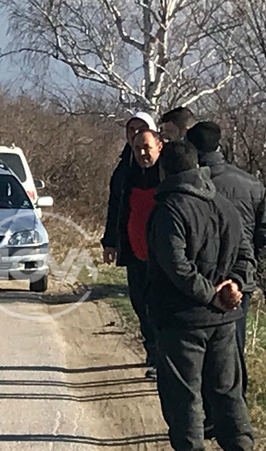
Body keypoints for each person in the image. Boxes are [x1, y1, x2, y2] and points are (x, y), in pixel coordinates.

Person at [144, 139, 257, 451]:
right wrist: (234, 286)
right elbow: (245, 255)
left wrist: (211, 293)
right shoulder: (224, 205)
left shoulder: (168, 210)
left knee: (185, 399)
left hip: (183, 320)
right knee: (227, 395)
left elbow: (175, 266)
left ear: (166, 170)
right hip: (225, 319)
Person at [185, 121, 266, 430]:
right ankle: (235, 416)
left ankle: (210, 417)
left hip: (204, 280)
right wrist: (248, 270)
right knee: (234, 350)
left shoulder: (194, 185)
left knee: (204, 353)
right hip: (240, 281)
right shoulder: (251, 184)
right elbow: (263, 233)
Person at [101, 114, 163, 379]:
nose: (135, 135)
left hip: (163, 250)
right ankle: (152, 351)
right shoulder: (124, 168)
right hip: (134, 246)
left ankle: (162, 357)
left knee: (159, 303)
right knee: (140, 301)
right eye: (131, 130)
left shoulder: (166, 166)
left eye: (141, 130)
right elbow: (116, 205)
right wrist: (110, 242)